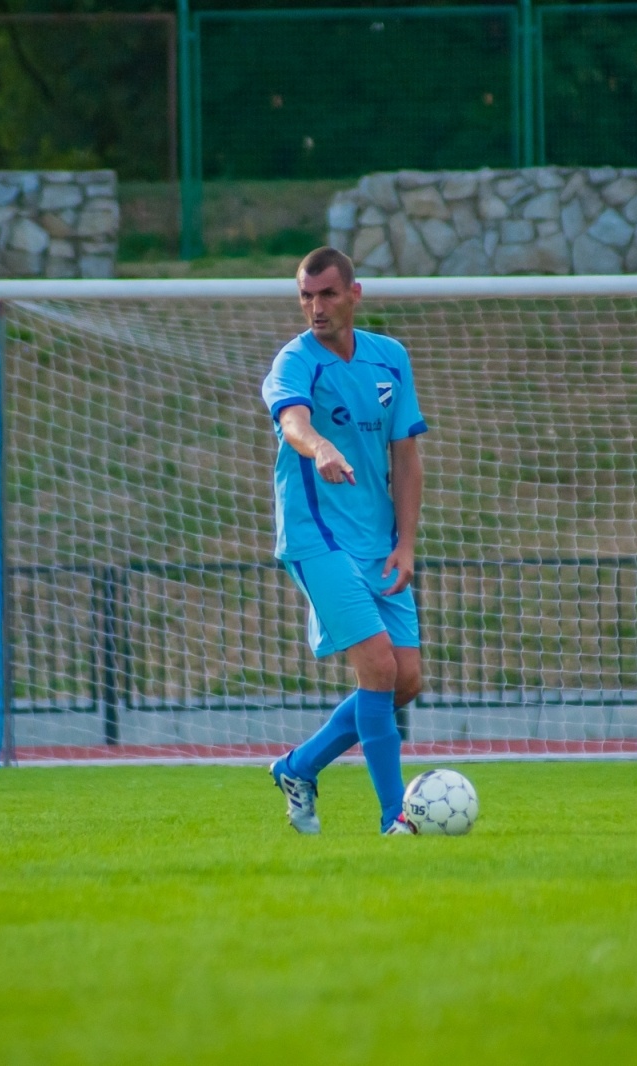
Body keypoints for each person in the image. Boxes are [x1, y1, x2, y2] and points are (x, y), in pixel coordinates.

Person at [261, 246, 429, 835]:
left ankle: (299, 766)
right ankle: (395, 818)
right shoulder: (295, 361)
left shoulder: (390, 359)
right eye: (306, 296)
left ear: (354, 294)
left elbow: (406, 457)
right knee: (378, 669)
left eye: (327, 294)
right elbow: (293, 422)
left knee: (405, 680)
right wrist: (320, 447)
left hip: (377, 542)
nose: (315, 307)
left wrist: (405, 544)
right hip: (317, 538)